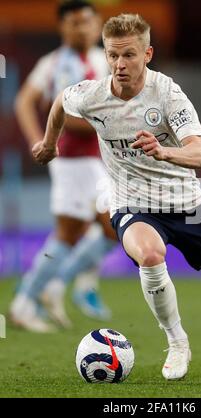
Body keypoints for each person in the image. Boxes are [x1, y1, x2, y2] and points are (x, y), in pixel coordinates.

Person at [31, 13, 201, 380]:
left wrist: (165, 151)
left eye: (129, 55)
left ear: (147, 54)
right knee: (151, 254)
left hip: (187, 204)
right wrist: (48, 143)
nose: (120, 64)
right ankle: (177, 342)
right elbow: (60, 101)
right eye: (112, 55)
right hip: (132, 203)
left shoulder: (168, 94)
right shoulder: (92, 95)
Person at [10, 0, 117, 332]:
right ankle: (27, 301)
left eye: (86, 21)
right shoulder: (58, 64)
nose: (80, 28)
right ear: (62, 27)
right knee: (91, 231)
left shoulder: (103, 59)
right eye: (73, 23)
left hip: (95, 160)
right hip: (72, 161)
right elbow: (59, 114)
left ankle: (45, 291)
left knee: (103, 230)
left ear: (97, 23)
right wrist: (38, 141)